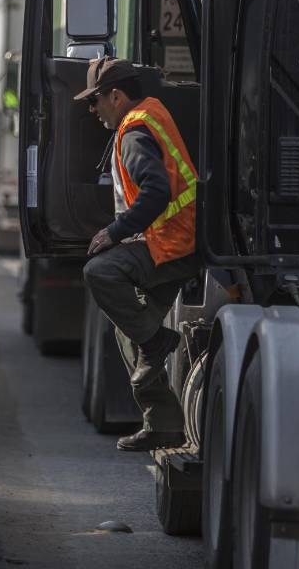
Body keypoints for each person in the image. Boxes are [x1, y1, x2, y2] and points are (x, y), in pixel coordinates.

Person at [76, 57, 200, 451]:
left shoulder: (134, 132)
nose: (93, 111)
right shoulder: (151, 116)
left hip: (173, 245)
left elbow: (157, 192)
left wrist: (115, 232)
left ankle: (157, 343)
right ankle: (162, 423)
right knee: (131, 328)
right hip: (177, 241)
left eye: (95, 101)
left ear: (116, 96)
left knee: (101, 273)